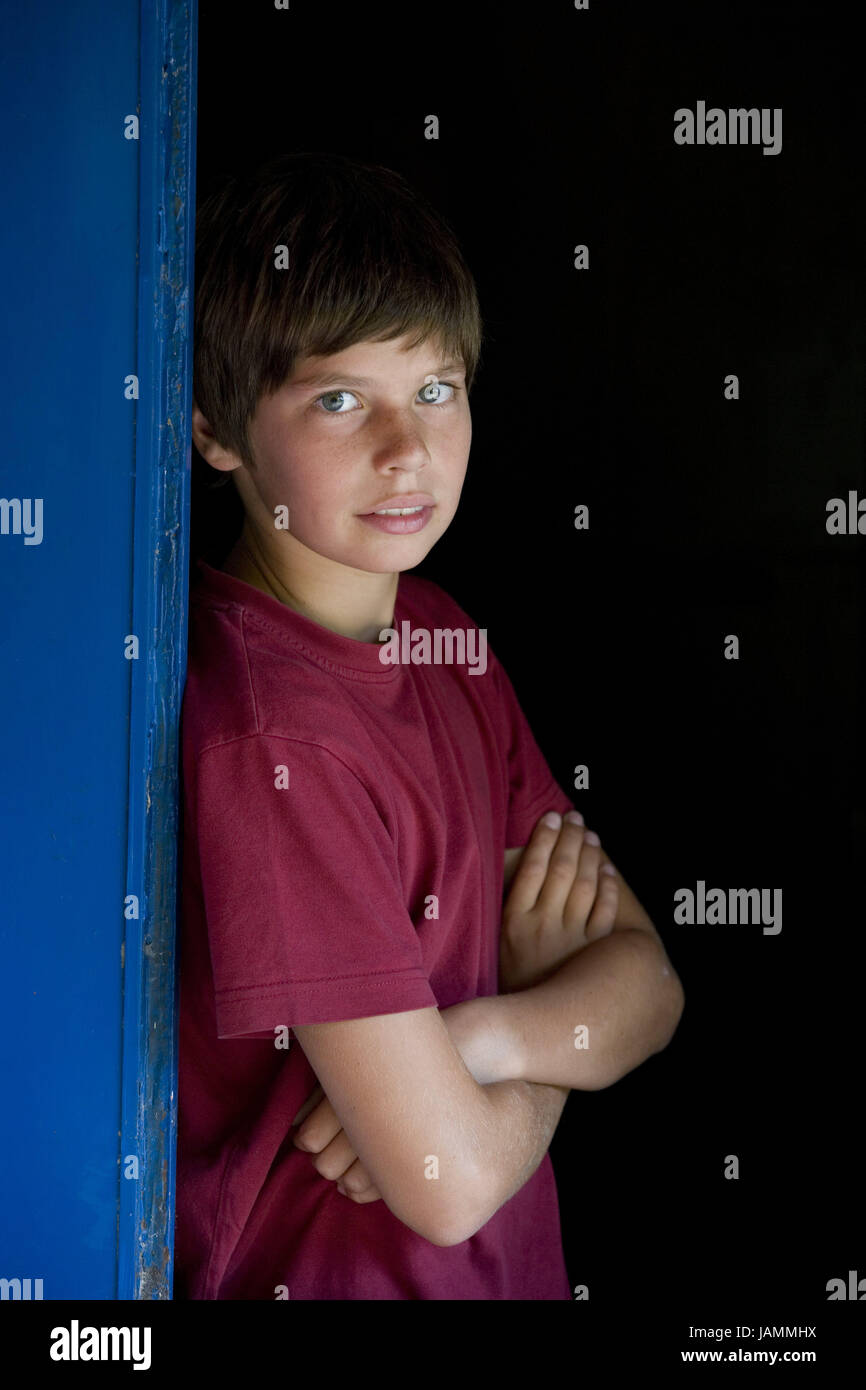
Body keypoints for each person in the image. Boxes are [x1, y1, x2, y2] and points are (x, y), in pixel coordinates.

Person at [175, 151, 684, 1300]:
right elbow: (446, 1177)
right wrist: (550, 1039)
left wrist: (481, 1042)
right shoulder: (267, 733)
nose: (406, 452)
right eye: (339, 400)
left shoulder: (443, 640)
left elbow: (648, 991)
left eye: (436, 390)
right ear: (215, 431)